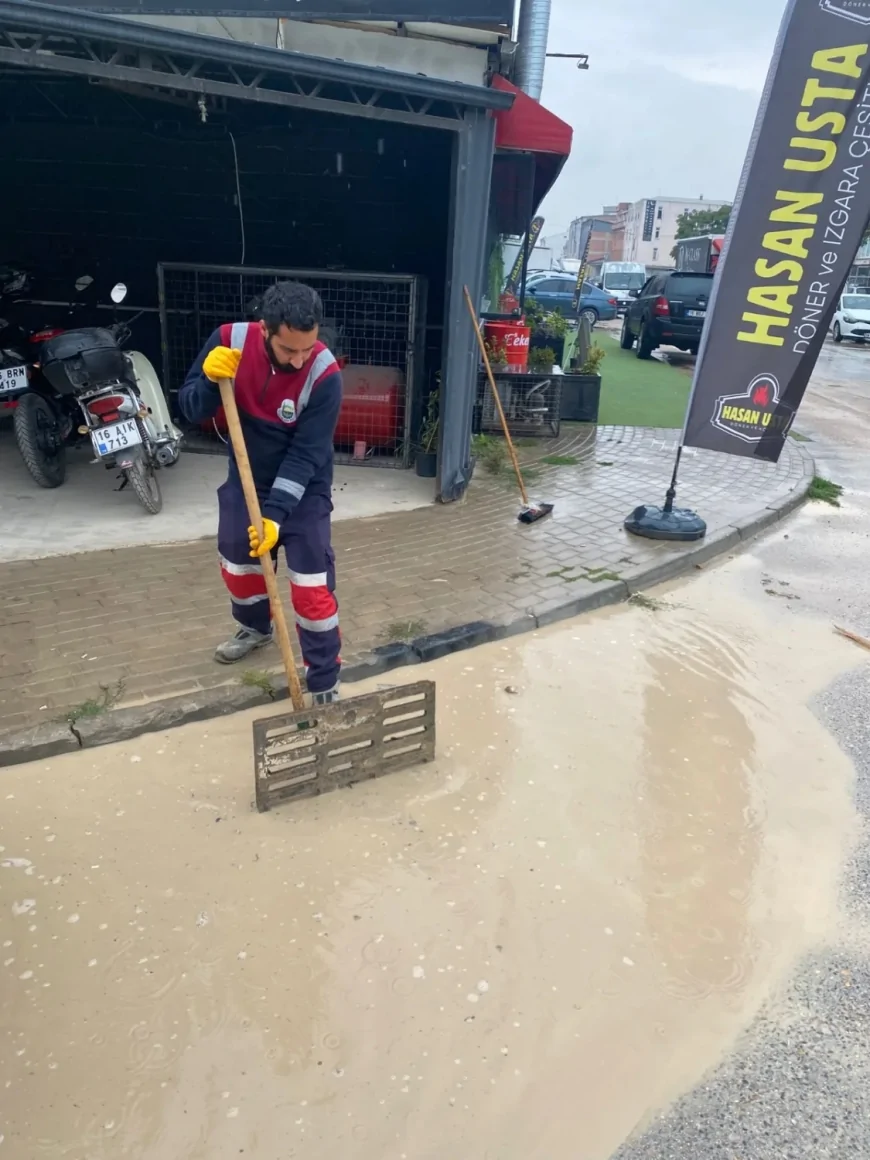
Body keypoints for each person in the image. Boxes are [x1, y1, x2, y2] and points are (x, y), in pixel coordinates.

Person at [178, 281, 342, 705]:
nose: (300, 358)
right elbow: (191, 408)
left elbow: (306, 456)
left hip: (303, 490)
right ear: (265, 329)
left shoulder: (324, 375)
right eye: (290, 350)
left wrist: (275, 515)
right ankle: (255, 628)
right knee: (238, 564)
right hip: (246, 477)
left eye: (308, 347)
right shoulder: (229, 341)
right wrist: (211, 382)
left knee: (310, 585)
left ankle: (324, 682)